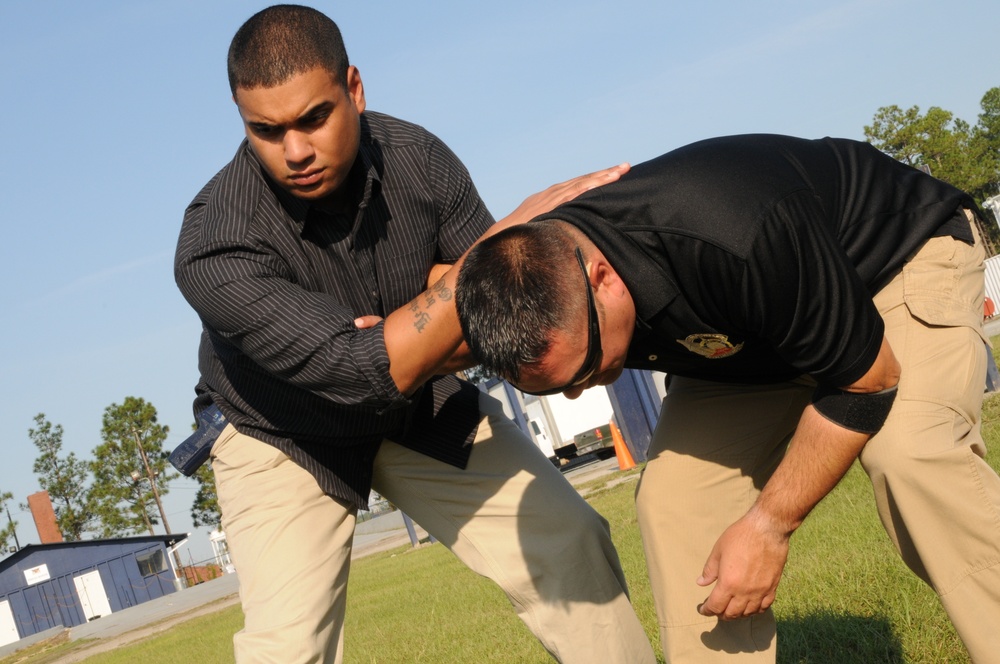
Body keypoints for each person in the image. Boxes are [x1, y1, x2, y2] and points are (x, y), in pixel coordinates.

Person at [173, 5, 656, 663]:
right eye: (266, 129)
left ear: (355, 88)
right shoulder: (214, 240)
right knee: (287, 649)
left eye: (314, 117)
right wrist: (495, 244)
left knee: (569, 540)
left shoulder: (418, 161)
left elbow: (500, 313)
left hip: (416, 406)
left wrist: (418, 324)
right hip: (279, 429)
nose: (295, 150)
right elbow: (363, 370)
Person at [454, 133, 1000, 662]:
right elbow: (411, 341)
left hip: (894, 261)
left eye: (586, 367)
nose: (577, 393)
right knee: (674, 504)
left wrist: (769, 524)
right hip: (758, 329)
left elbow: (868, 381)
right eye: (554, 389)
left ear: (602, 278)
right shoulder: (537, 287)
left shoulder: (731, 231)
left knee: (909, 454)